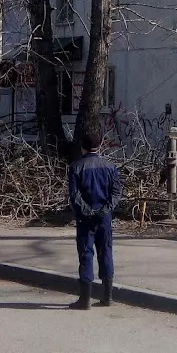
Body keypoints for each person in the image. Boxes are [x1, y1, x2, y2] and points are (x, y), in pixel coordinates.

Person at [68, 132, 121, 310]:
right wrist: (105, 210)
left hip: (85, 219)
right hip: (104, 217)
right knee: (106, 252)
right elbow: (116, 193)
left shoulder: (76, 167)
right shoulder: (110, 166)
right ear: (100, 145)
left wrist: (87, 211)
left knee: (86, 254)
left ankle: (84, 299)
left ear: (82, 146)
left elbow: (75, 196)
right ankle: (107, 297)